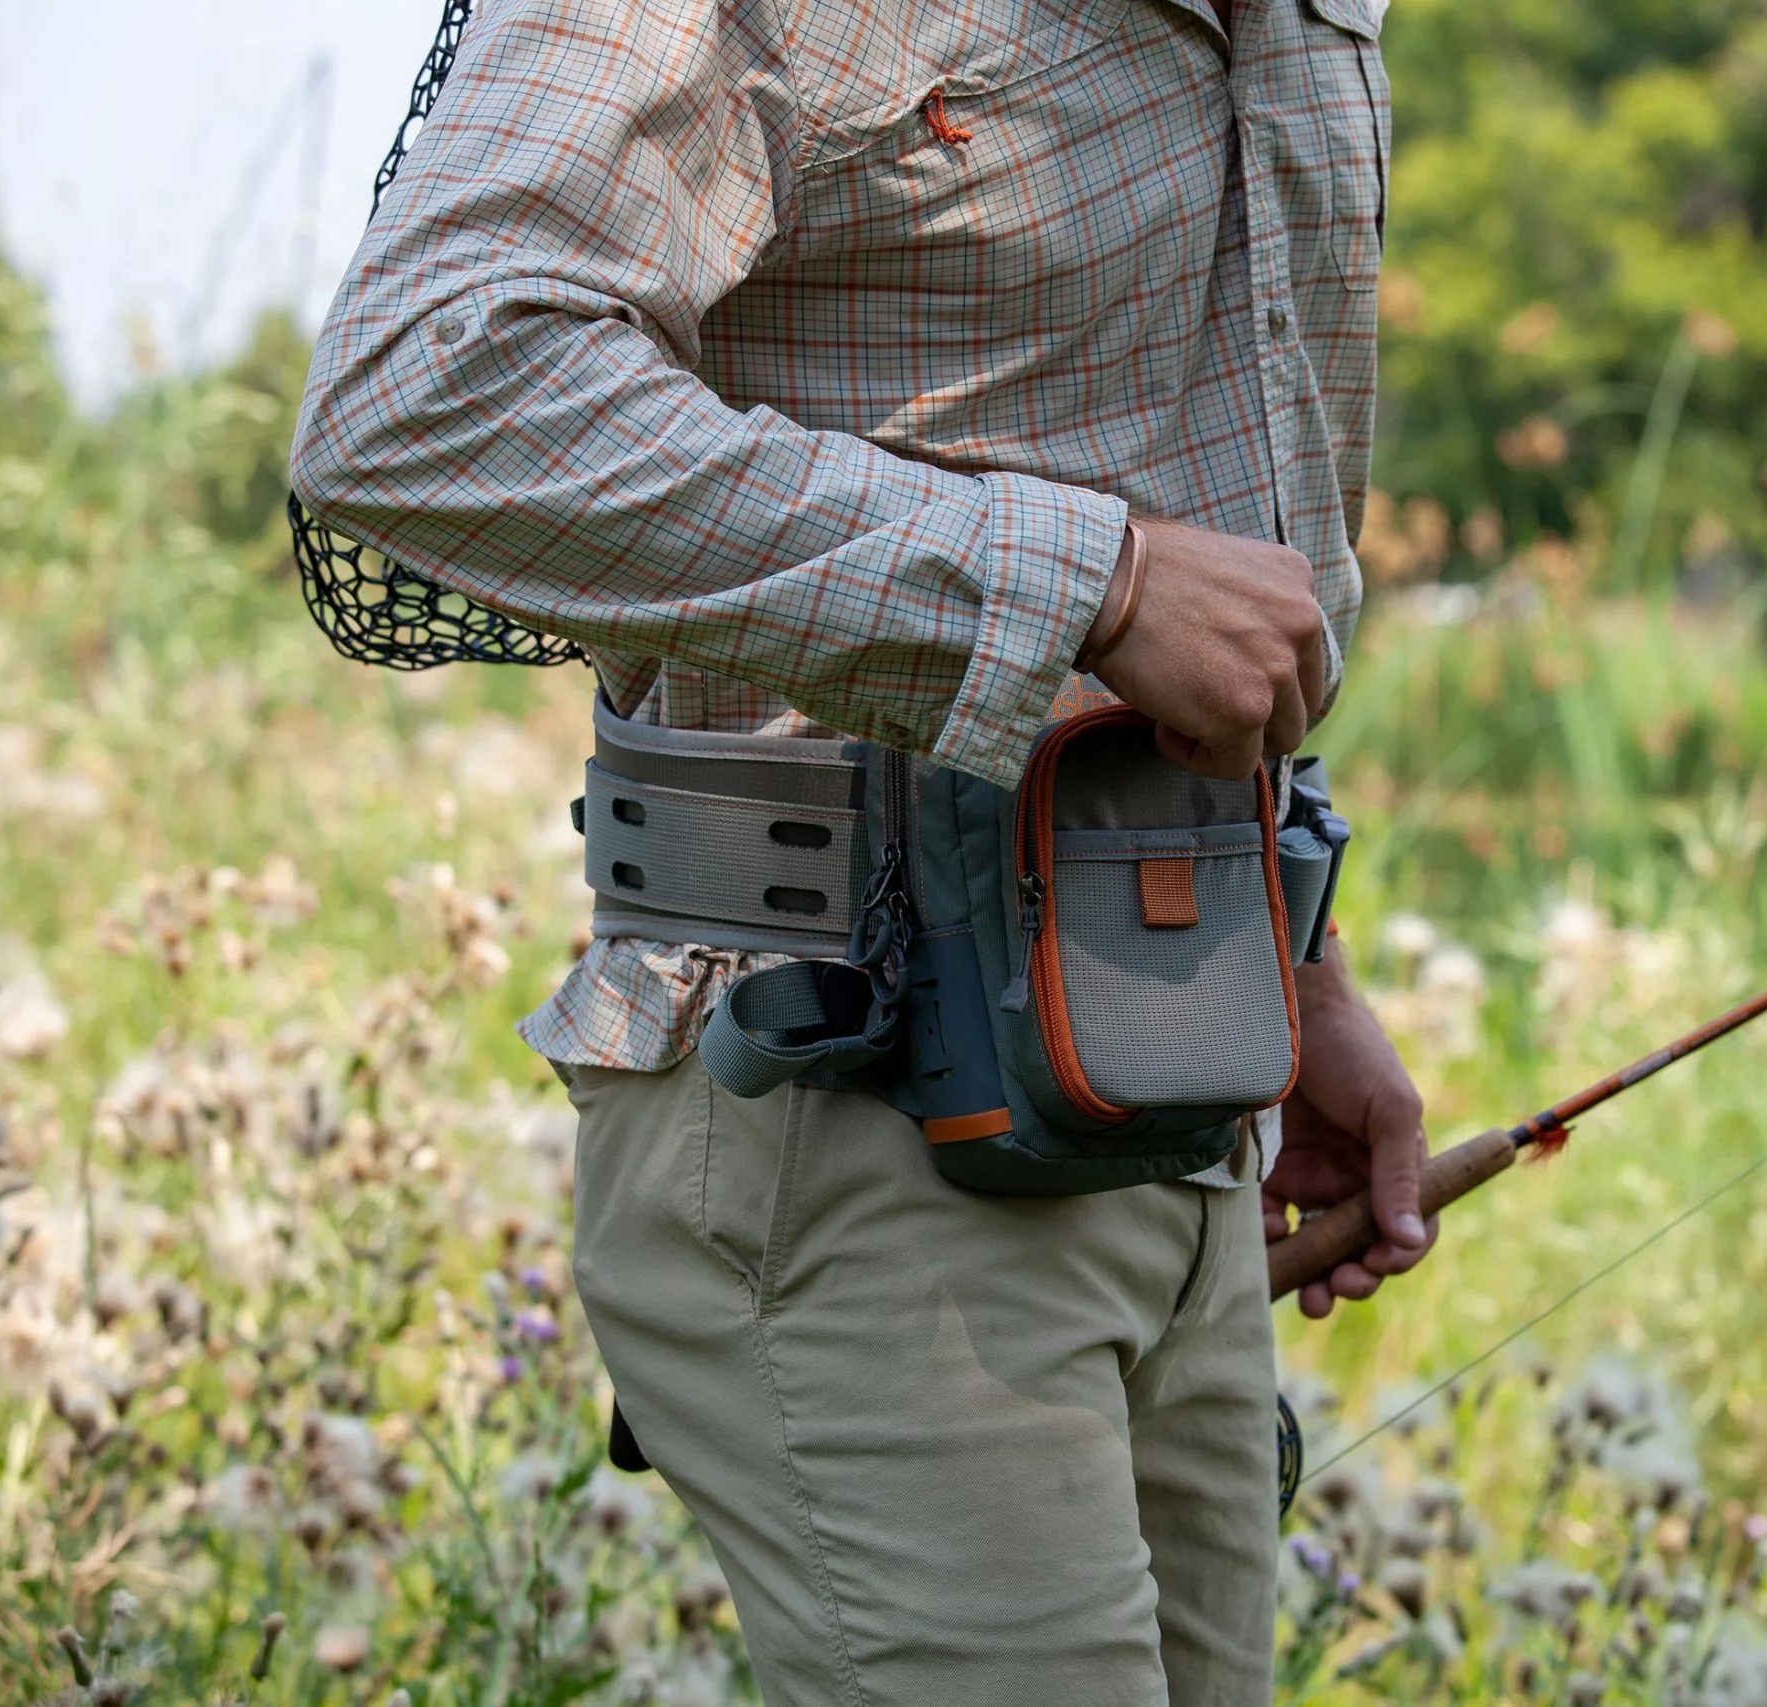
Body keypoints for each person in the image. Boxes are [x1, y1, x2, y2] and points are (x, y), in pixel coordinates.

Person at [290, 0, 1430, 1699]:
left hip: (1169, 1066)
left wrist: (1288, 955)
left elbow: (1233, 507)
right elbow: (429, 388)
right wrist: (1089, 586)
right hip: (847, 1091)